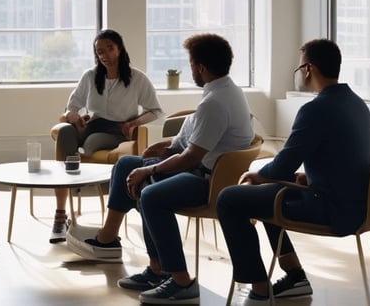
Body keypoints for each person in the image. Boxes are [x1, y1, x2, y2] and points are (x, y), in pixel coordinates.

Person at [66, 33, 254, 306]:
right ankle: (143, 261)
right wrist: (168, 144)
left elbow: (192, 156)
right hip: (202, 168)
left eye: (191, 63)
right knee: (127, 163)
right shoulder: (223, 90)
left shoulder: (216, 101)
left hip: (207, 179)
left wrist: (150, 171)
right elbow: (194, 132)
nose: (190, 69)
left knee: (151, 194)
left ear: (200, 66)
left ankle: (180, 280)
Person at [217, 39, 370, 302]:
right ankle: (295, 277)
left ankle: (258, 290)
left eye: (299, 68)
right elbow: (340, 159)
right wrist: (303, 177)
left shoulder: (316, 109)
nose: (300, 72)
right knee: (267, 193)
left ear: (308, 69)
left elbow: (283, 165)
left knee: (229, 199)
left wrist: (258, 175)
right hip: (355, 204)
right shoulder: (356, 103)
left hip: (332, 209)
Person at [49, 29, 163, 244]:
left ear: (119, 49)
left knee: (92, 143)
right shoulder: (90, 76)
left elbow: (156, 111)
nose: (105, 55)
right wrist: (73, 116)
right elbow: (71, 106)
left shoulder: (138, 78)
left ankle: (103, 212)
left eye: (109, 49)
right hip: (91, 124)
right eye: (100, 52)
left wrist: (135, 122)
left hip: (117, 130)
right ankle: (60, 214)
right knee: (65, 132)